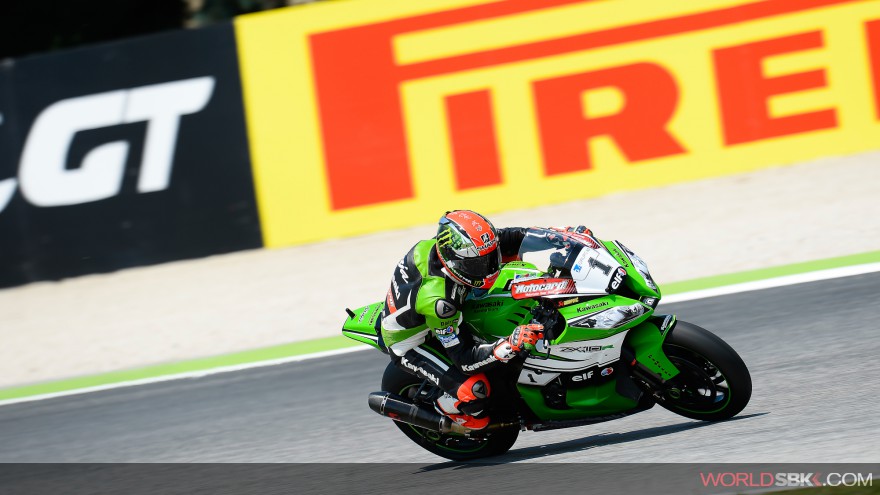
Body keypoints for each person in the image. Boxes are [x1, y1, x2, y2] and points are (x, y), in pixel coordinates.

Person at [380, 210, 543, 430]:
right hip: (413, 342)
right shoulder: (440, 303)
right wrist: (508, 345)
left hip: (439, 306)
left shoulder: (458, 247)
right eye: (478, 265)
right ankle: (449, 412)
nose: (489, 268)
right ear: (454, 262)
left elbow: (510, 238)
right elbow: (465, 360)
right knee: (475, 390)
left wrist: (554, 236)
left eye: (490, 258)